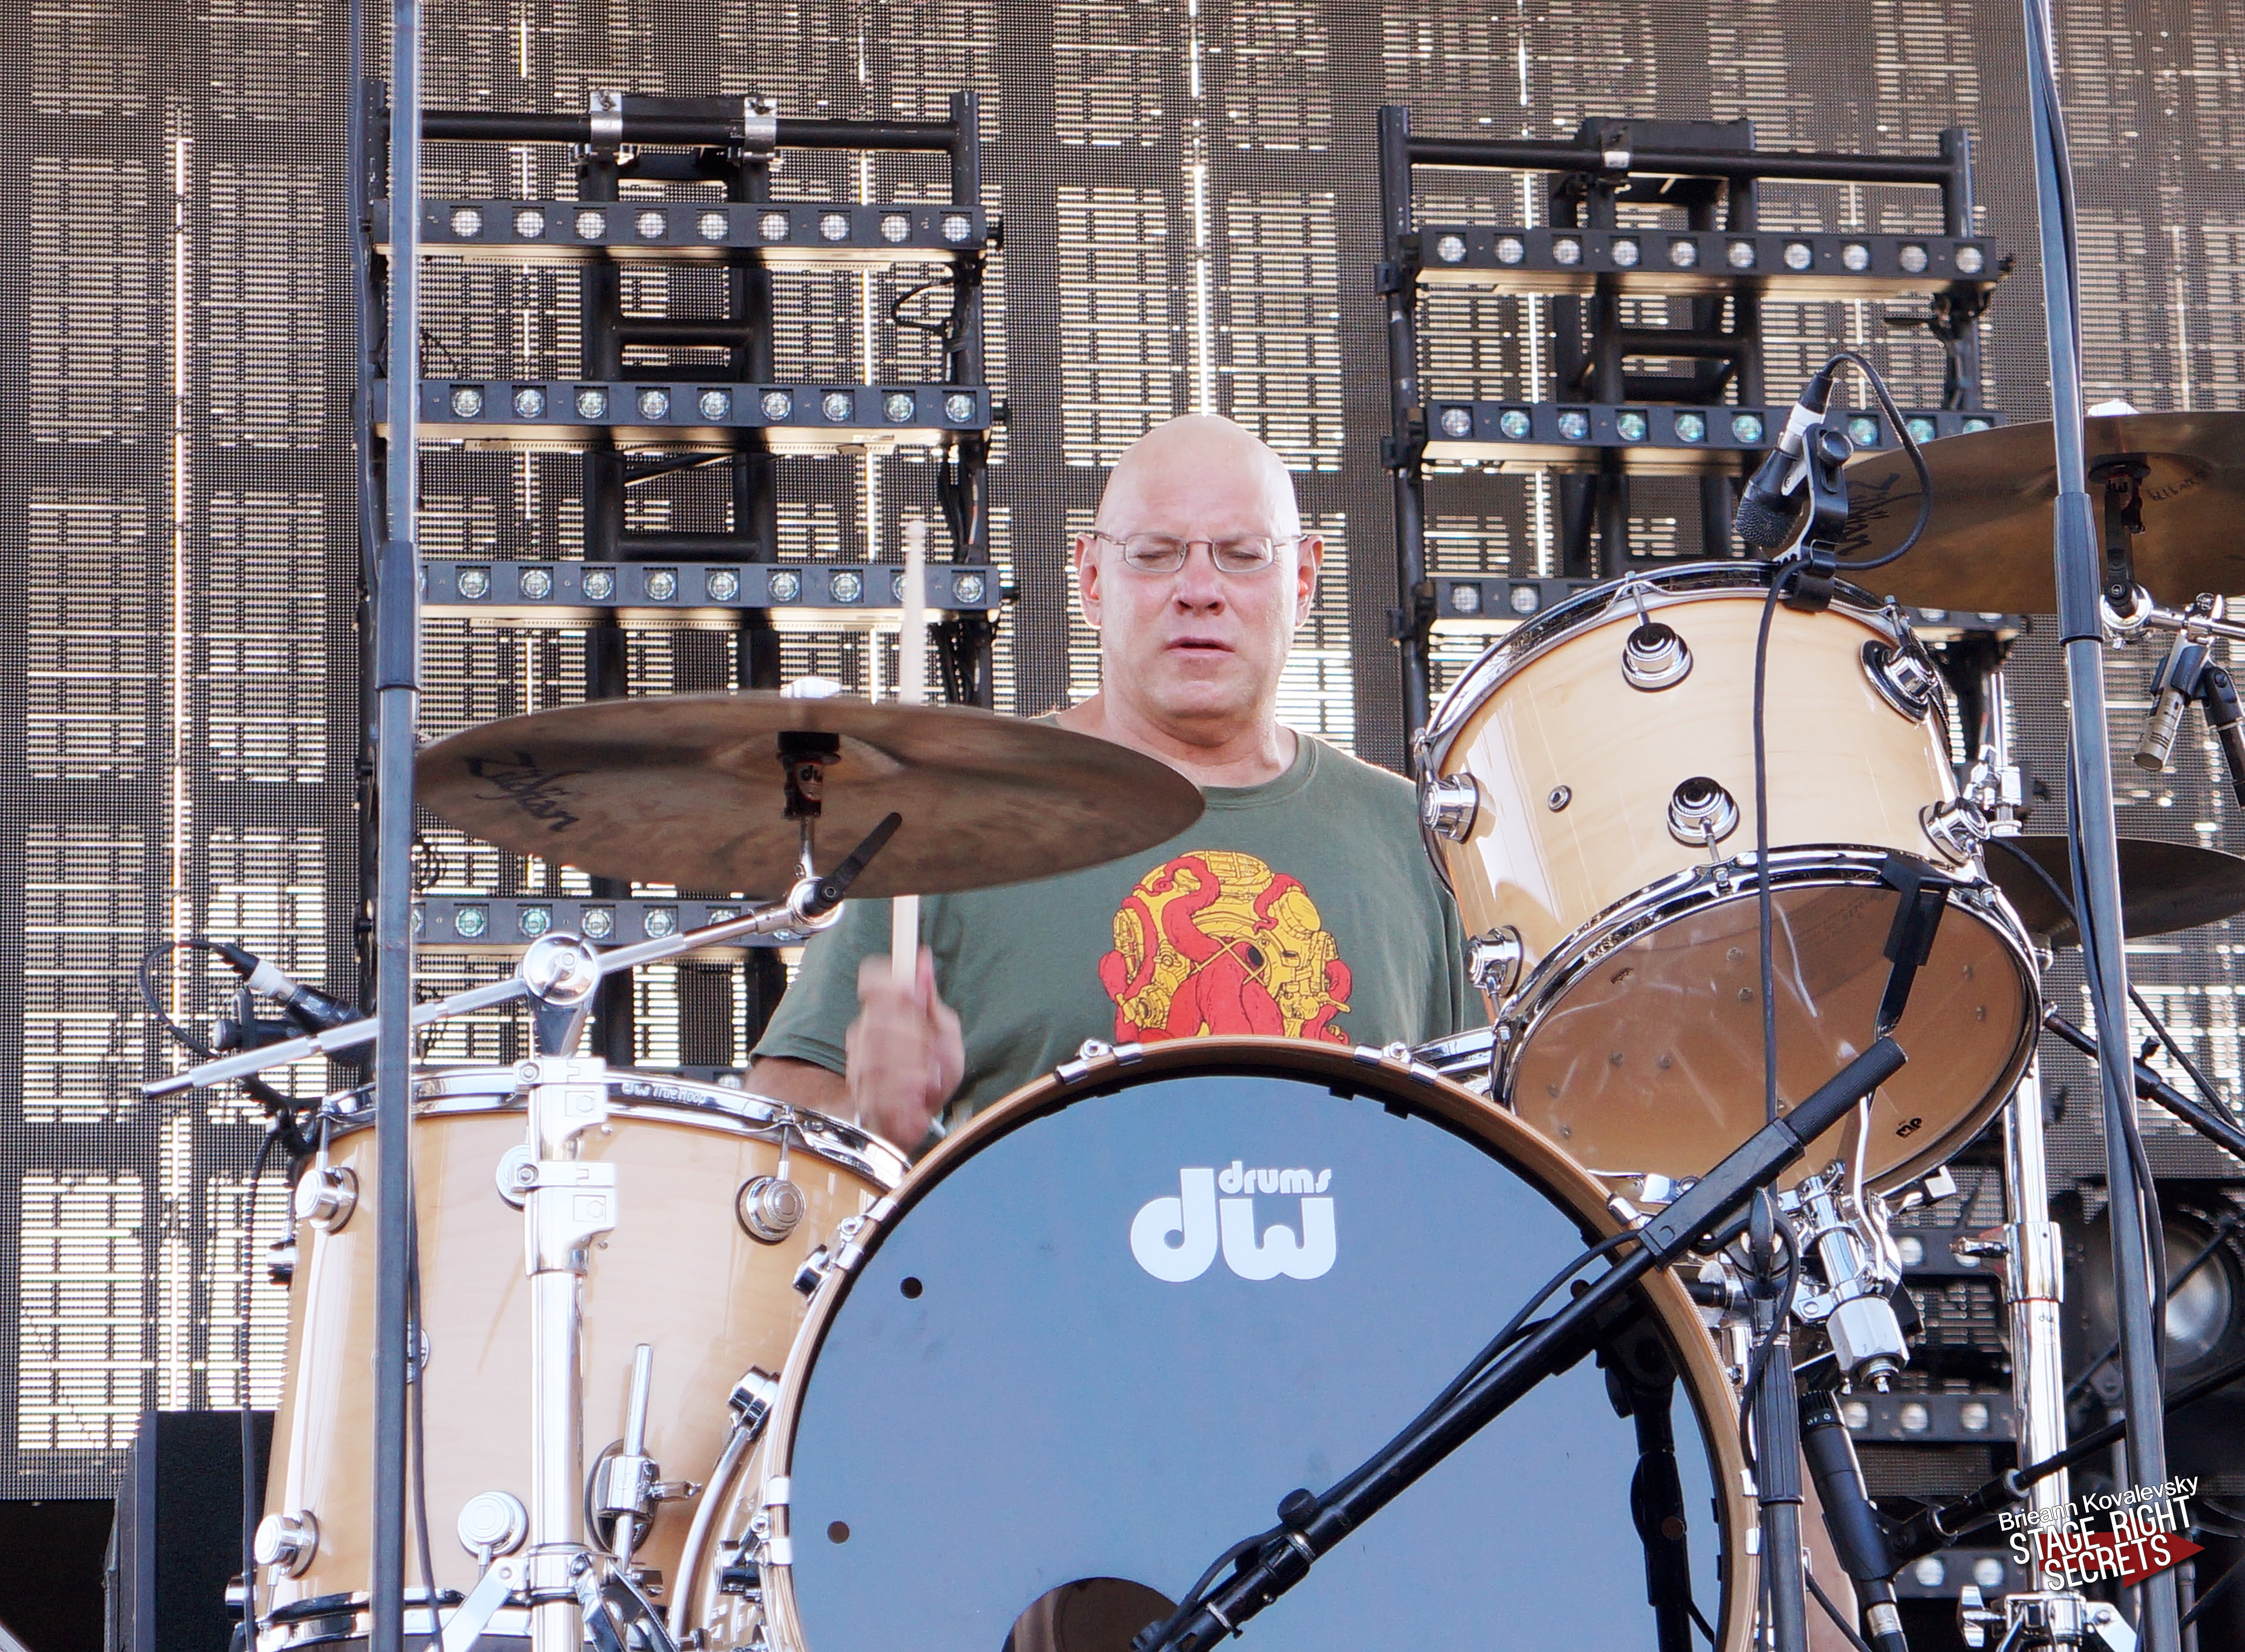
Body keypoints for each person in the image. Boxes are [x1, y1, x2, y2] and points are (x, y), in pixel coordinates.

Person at [748, 413, 1483, 1150]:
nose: (1200, 589)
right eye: (1156, 555)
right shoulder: (948, 817)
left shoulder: (1418, 841)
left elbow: (1497, 1147)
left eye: (1243, 555)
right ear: (1093, 579)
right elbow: (782, 1116)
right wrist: (874, 1118)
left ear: (1303, 579)